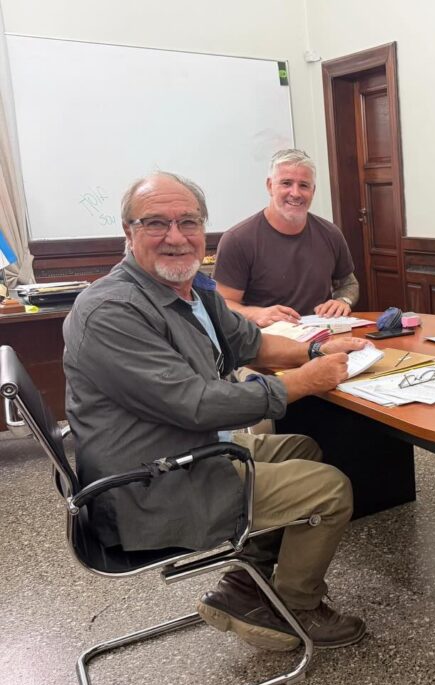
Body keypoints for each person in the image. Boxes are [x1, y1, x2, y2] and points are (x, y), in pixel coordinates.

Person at [64, 171, 369, 652]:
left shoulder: (192, 289)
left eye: (188, 222)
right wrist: (304, 381)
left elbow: (251, 342)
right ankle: (295, 610)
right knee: (329, 490)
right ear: (128, 232)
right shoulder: (111, 311)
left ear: (203, 228)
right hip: (149, 484)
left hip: (181, 450)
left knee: (302, 447)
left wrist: (315, 350)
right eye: (156, 223)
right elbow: (198, 404)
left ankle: (246, 584)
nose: (176, 237)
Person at [214, 148, 359, 328]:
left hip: (322, 334)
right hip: (264, 338)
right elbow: (222, 304)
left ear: (313, 190)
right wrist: (256, 313)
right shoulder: (237, 240)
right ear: (270, 186)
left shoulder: (331, 234)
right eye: (286, 183)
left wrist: (343, 301)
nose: (295, 193)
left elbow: (349, 284)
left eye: (304, 185)